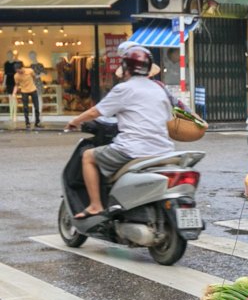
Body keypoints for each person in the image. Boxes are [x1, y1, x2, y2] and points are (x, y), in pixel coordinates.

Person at [66, 47, 174, 219]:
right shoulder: (159, 89)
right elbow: (168, 118)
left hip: (133, 149)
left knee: (88, 156)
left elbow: (96, 112)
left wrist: (74, 121)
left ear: (126, 68)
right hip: (164, 150)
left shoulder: (124, 89)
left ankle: (95, 205)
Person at [12, 61, 41, 129]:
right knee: (25, 108)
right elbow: (16, 85)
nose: (18, 72)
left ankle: (37, 122)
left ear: (22, 67)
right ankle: (27, 123)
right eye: (17, 71)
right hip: (24, 91)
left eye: (19, 70)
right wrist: (14, 93)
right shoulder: (16, 76)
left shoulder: (30, 71)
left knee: (36, 107)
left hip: (33, 90)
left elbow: (34, 77)